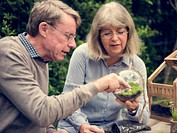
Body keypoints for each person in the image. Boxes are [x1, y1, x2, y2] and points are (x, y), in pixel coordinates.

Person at [0, 0, 131, 133]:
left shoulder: (40, 59)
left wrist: (51, 131)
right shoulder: (9, 54)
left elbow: (32, 114)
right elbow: (42, 112)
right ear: (44, 29)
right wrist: (98, 85)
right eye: (68, 36)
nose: (73, 44)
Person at [57, 1, 150, 133]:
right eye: (107, 33)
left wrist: (133, 109)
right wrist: (83, 126)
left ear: (128, 33)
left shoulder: (136, 64)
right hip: (75, 126)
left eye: (120, 31)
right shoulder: (82, 55)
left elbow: (144, 117)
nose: (115, 38)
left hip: (111, 128)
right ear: (98, 36)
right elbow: (68, 101)